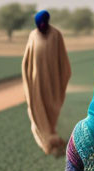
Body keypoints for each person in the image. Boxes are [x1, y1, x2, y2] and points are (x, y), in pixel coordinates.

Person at [22, 10, 72, 155]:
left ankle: (52, 137)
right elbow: (27, 60)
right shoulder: (33, 35)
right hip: (37, 82)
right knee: (38, 108)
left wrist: (63, 78)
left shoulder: (56, 35)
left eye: (44, 22)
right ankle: (47, 141)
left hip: (53, 82)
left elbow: (62, 59)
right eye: (40, 23)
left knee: (52, 109)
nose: (42, 25)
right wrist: (29, 80)